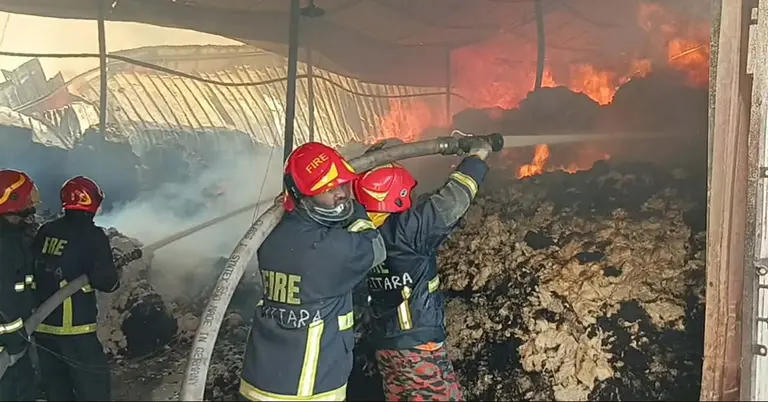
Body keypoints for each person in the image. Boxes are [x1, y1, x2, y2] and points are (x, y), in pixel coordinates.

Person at [239, 142, 387, 401]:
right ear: (304, 196)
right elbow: (375, 247)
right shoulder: (327, 251)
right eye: (328, 189)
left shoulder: (272, 237)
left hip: (258, 382)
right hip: (307, 391)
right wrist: (357, 209)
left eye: (342, 185)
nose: (341, 194)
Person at [352, 138, 493, 401]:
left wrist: (380, 157)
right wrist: (477, 158)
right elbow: (451, 202)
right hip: (417, 347)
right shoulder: (405, 232)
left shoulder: (362, 234)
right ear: (397, 195)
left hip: (387, 344)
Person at [32, 175, 120, 401]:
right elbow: (107, 282)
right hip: (75, 331)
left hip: (43, 330)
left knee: (57, 390)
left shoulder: (45, 231)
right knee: (93, 388)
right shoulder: (93, 236)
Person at [0, 169, 41, 401]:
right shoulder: (4, 245)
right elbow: (4, 294)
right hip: (6, 347)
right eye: (26, 197)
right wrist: (15, 337)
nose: (30, 203)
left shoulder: (11, 236)